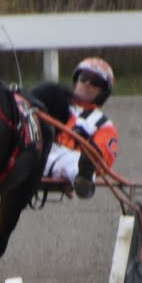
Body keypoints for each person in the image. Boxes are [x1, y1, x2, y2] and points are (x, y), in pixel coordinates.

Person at [43, 56, 119, 198]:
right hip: (33, 152)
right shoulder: (51, 100)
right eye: (84, 78)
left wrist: (89, 156)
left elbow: (103, 157)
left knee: (78, 160)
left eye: (95, 82)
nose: (88, 84)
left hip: (64, 162)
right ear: (76, 80)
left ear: (103, 92)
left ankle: (83, 180)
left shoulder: (102, 123)